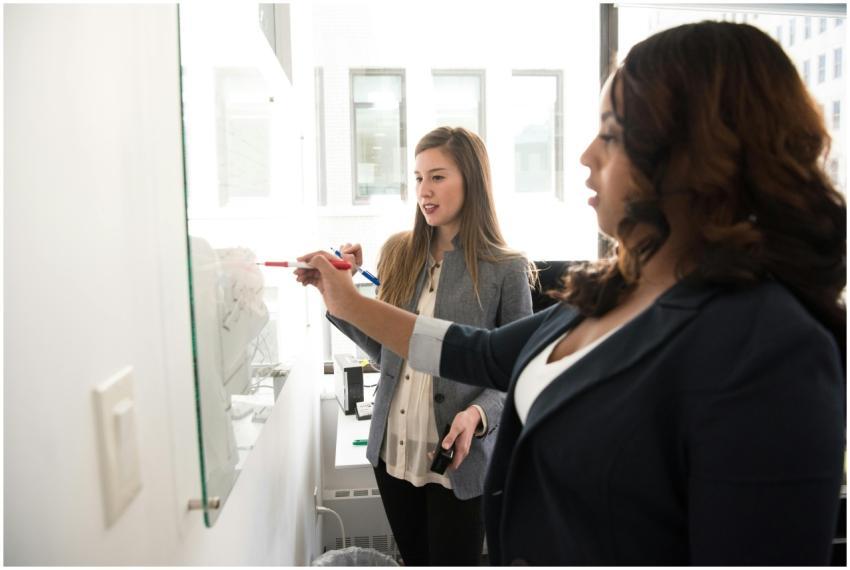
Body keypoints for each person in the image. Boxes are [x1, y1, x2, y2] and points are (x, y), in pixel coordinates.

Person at [297, 21, 846, 565]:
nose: (586, 155)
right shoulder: (607, 294)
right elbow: (477, 352)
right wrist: (347, 302)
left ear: (698, 154)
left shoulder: (771, 350)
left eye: (611, 134)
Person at [327, 126, 533, 565]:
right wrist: (340, 296)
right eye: (419, 178)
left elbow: (519, 373)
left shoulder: (506, 268)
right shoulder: (398, 252)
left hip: (458, 461)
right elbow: (385, 353)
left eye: (437, 177)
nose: (424, 191)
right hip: (393, 449)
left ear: (471, 181)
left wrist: (477, 415)